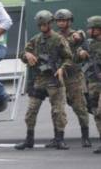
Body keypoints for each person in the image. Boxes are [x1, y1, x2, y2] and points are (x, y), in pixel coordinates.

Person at [15, 10, 72, 150]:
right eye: (40, 24)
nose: (42, 27)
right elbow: (22, 53)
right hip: (39, 80)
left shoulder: (59, 39)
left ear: (50, 23)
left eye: (45, 24)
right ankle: (29, 139)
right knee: (31, 110)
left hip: (55, 80)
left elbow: (69, 57)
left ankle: (59, 139)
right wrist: (27, 55)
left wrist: (62, 68)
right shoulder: (35, 40)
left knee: (58, 111)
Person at [49, 9, 91, 148]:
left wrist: (81, 38)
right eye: (59, 20)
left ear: (69, 21)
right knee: (57, 109)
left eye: (63, 20)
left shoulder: (76, 36)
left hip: (73, 76)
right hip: (58, 77)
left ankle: (85, 137)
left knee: (80, 107)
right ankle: (58, 137)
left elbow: (84, 45)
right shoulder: (54, 37)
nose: (61, 23)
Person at [78, 15, 101, 154]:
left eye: (91, 28)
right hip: (93, 83)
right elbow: (76, 56)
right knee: (97, 114)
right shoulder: (89, 44)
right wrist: (80, 52)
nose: (89, 30)